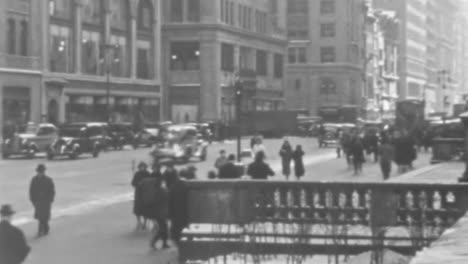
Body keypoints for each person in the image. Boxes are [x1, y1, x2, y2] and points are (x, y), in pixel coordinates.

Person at [29, 164, 55, 237]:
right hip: (38, 201)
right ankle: (45, 228)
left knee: (44, 216)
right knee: (41, 217)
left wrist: (50, 200)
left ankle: (41, 230)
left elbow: (52, 191)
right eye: (39, 171)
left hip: (46, 201)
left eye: (42, 171)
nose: (40, 173)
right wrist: (32, 200)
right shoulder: (34, 180)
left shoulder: (48, 180)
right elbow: (31, 191)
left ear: (44, 172)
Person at [167, 172, 189, 246]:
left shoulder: (173, 187)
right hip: (185, 211)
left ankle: (176, 240)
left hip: (175, 211)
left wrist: (169, 213)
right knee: (184, 226)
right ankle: (183, 241)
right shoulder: (187, 186)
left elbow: (169, 201)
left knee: (176, 226)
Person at [149, 177, 169, 250]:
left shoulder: (156, 191)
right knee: (163, 229)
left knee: (164, 228)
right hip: (161, 213)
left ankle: (164, 243)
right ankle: (154, 242)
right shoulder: (161, 191)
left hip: (159, 213)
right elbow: (167, 198)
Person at [131, 162, 152, 230]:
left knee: (145, 208)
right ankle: (139, 221)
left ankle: (145, 222)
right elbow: (133, 183)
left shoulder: (148, 174)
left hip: (145, 193)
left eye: (143, 167)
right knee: (137, 208)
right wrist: (138, 184)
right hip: (138, 193)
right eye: (140, 167)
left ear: (145, 167)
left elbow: (151, 182)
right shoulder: (137, 174)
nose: (142, 168)